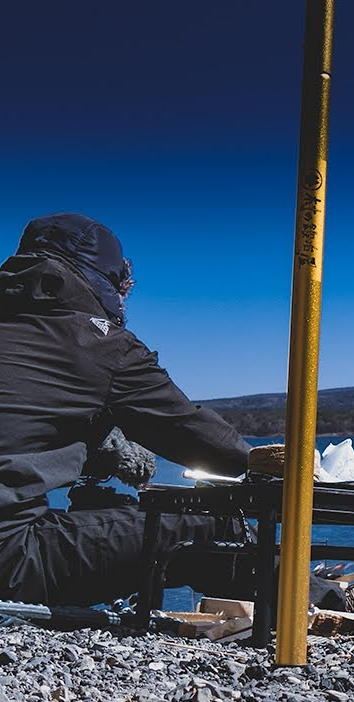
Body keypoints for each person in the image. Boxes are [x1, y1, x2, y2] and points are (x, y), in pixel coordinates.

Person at [0, 212, 255, 606]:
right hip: (11, 563)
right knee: (216, 527)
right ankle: (325, 605)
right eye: (124, 291)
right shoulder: (99, 343)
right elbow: (203, 440)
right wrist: (279, 467)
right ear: (109, 284)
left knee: (108, 510)